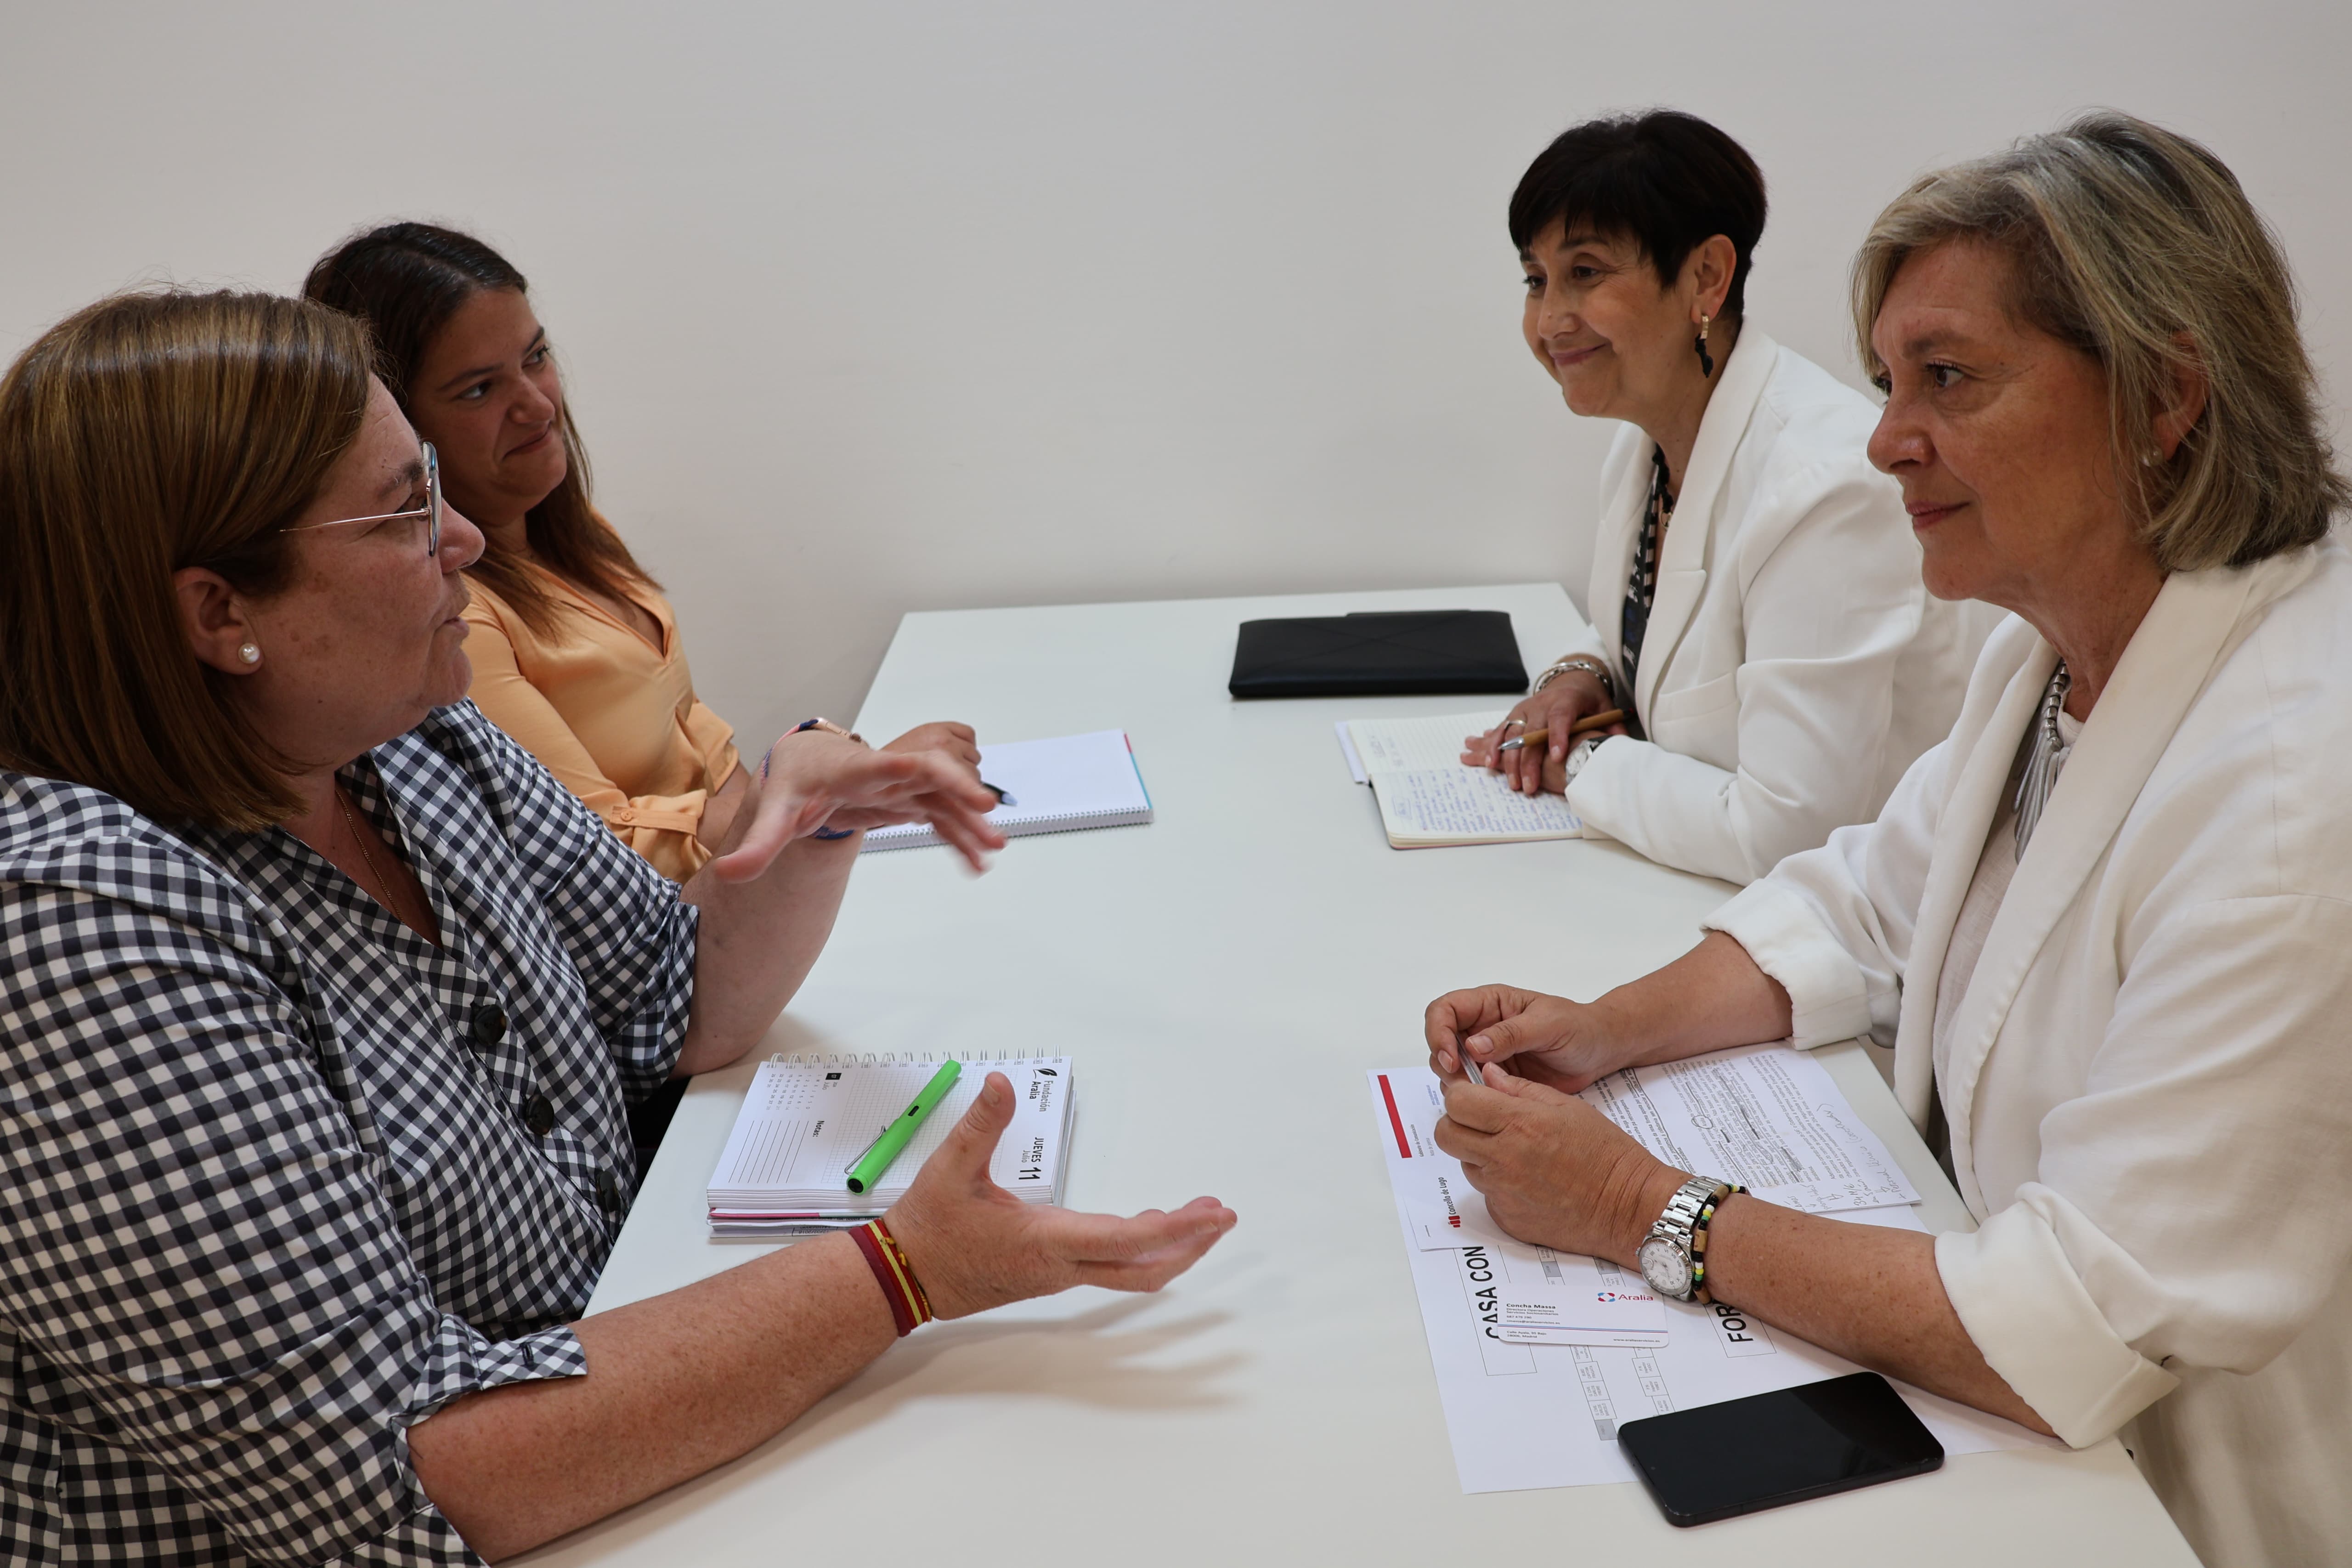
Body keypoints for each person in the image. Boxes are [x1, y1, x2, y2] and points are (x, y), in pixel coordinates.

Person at [0, 289, 1236, 1565]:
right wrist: (904, 1272)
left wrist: (806, 829)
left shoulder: (404, 733)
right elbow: (403, 1475)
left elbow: (672, 1006)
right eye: (404, 510)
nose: (464, 539)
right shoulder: (80, 931)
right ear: (220, 615)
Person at [1425, 113, 2349, 1568]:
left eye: (1949, 380)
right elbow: (1862, 899)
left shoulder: (2298, 787)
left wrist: (1634, 1202)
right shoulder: (2054, 645)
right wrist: (1605, 1029)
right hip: (2033, 1443)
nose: (1884, 439)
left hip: (2180, 1508)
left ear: (2164, 395)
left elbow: (2074, 1318)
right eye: (1886, 381)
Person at [303, 222, 977, 883]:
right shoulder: (459, 621)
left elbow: (705, 750)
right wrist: (825, 794)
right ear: (396, 429)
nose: (537, 406)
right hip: (665, 931)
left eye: (536, 357)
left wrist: (833, 787)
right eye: (480, 389)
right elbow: (600, 850)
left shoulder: (571, 532)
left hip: (743, 890)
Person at [1465, 110, 1992, 884]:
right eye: (1536, 280)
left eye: (1586, 273)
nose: (1549, 321)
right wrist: (1580, 675)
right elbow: (1658, 643)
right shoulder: (1646, 446)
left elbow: (1787, 831)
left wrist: (1579, 763)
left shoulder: (1828, 484)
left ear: (1707, 276)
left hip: (1857, 929)